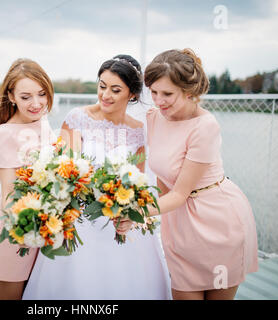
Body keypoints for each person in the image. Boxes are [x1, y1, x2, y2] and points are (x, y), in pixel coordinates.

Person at [22, 54, 171, 300]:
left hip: (118, 221)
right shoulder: (78, 119)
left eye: (115, 90)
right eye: (102, 86)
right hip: (81, 222)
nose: (105, 95)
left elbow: (139, 183)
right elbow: (65, 173)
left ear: (132, 94)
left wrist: (128, 213)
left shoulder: (138, 132)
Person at [116, 48, 259, 300]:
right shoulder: (154, 117)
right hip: (179, 227)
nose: (159, 101)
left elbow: (180, 193)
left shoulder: (205, 127)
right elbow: (163, 177)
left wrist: (134, 213)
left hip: (217, 221)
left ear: (189, 91)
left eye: (167, 94)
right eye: (154, 92)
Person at [0, 58, 56, 300]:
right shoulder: (6, 133)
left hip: (47, 221)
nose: (36, 103)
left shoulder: (44, 123)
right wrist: (23, 229)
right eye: (26, 97)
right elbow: (8, 191)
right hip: (17, 221)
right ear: (11, 96)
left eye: (41, 94)